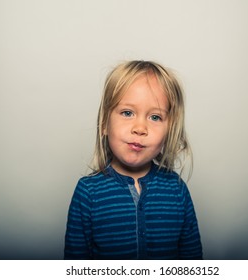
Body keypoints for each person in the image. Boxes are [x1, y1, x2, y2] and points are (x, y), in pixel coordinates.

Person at [64, 60, 202, 259]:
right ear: (104, 124)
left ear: (169, 131)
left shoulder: (177, 190)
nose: (140, 128)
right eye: (127, 113)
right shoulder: (88, 192)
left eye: (155, 117)